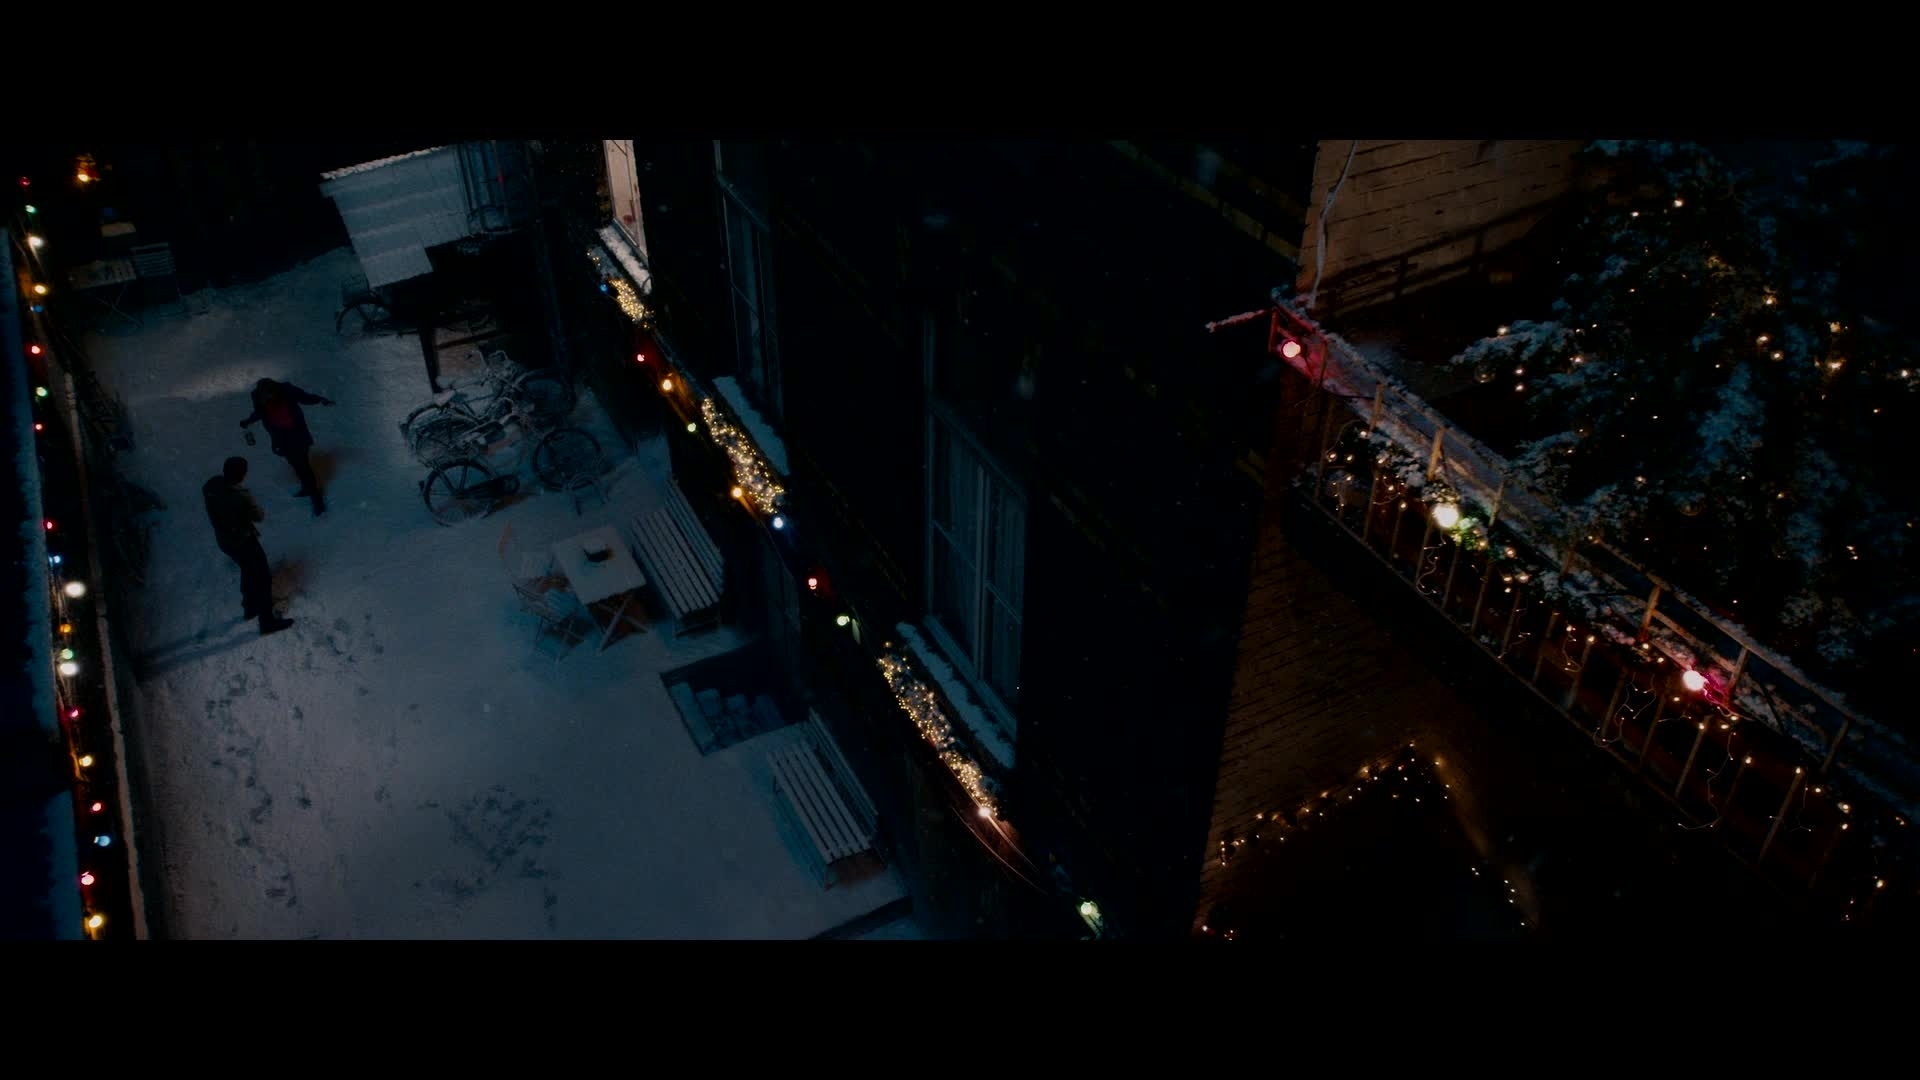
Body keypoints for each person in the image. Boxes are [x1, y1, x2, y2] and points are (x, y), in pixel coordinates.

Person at [203, 457, 293, 636]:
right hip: (244, 541)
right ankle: (267, 622)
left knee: (247, 569)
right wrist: (249, 503)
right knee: (262, 578)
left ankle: (249, 607)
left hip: (225, 540)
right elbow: (259, 516)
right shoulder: (240, 496)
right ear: (241, 475)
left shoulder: (211, 485)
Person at [239, 377, 335, 516]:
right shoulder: (259, 399)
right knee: (296, 464)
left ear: (275, 391)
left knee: (303, 466)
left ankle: (316, 498)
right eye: (263, 397)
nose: (266, 399)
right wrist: (248, 421)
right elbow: (259, 412)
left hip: (298, 436)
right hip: (281, 439)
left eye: (268, 395)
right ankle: (307, 488)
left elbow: (305, 398)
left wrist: (321, 400)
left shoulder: (288, 391)